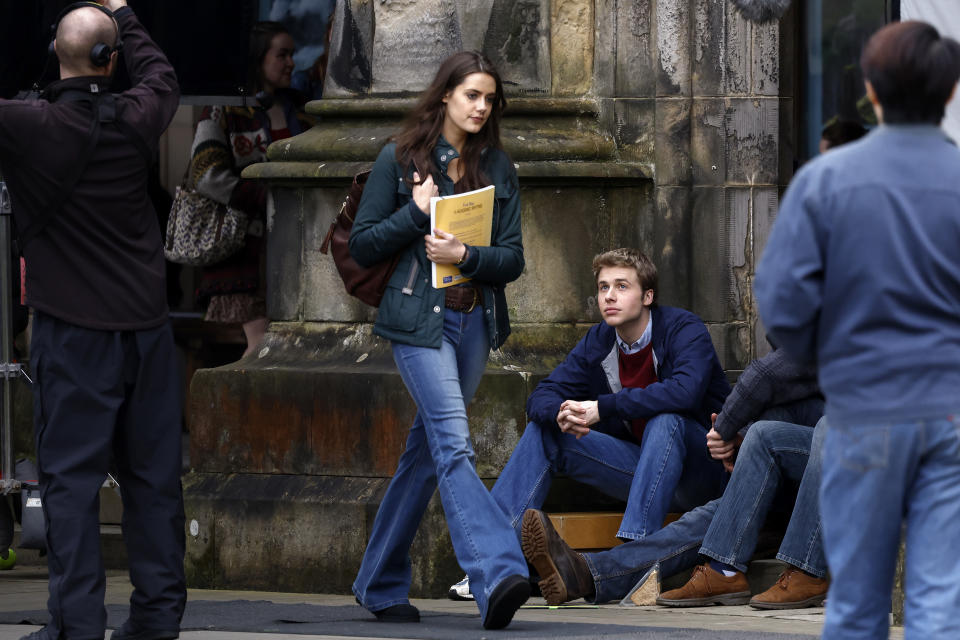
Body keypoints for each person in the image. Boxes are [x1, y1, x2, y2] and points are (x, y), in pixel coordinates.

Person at [754, 21, 960, 639]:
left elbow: (782, 301)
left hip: (864, 405)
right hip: (950, 411)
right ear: (949, 94)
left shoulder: (827, 180)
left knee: (856, 606)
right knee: (940, 605)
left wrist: (833, 357)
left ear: (870, 91)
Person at [0, 2, 184, 639]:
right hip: (148, 330)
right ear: (112, 59)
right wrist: (125, 12)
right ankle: (157, 620)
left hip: (74, 333)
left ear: (56, 48)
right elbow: (161, 75)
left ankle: (76, 628)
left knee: (71, 485)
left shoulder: (26, 124)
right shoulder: (138, 115)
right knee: (154, 480)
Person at [348, 51, 529, 630]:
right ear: (445, 95)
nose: (481, 107)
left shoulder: (499, 166)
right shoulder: (399, 160)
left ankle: (378, 582)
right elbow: (363, 245)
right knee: (453, 445)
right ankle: (498, 572)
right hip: (418, 323)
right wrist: (416, 215)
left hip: (472, 322)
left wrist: (466, 256)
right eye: (472, 95)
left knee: (425, 455)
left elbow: (513, 259)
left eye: (489, 99)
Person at [450, 248, 730, 600]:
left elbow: (684, 393)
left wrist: (602, 408)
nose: (609, 296)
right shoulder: (599, 341)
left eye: (621, 286)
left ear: (647, 296)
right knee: (546, 430)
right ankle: (491, 563)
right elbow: (542, 395)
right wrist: (560, 414)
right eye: (602, 287)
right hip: (645, 470)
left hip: (704, 473)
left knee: (667, 418)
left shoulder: (683, 328)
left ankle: (631, 559)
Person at [519, 349, 827, 609]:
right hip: (785, 492)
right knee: (702, 519)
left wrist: (727, 428)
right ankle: (588, 573)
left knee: (832, 428)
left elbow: (766, 374)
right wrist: (740, 438)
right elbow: (790, 409)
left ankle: (806, 570)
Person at [188, 21, 312, 358]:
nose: (291, 63)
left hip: (297, 246)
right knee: (261, 349)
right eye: (281, 54)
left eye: (292, 55)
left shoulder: (300, 109)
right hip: (247, 250)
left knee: (291, 348)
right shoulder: (224, 108)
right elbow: (206, 173)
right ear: (259, 59)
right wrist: (265, 198)